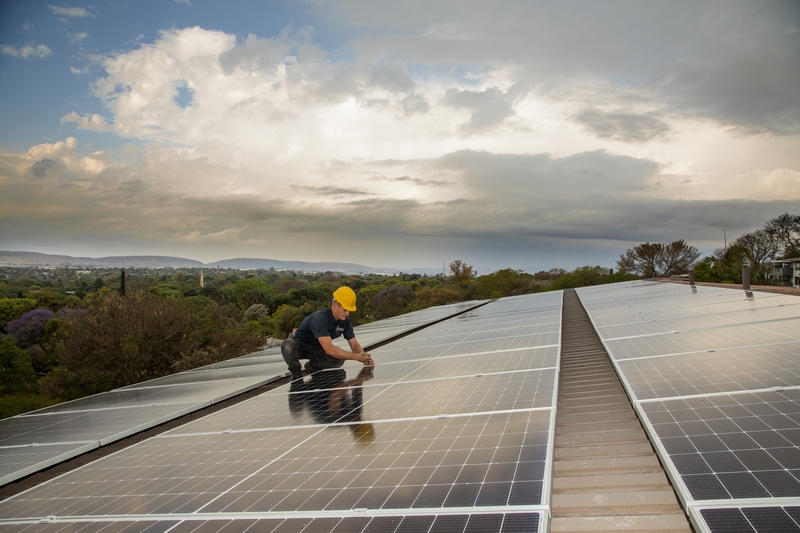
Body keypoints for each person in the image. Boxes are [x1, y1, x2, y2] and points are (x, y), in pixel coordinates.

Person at [281, 287, 374, 385]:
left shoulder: (345, 322)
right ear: (335, 305)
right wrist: (356, 357)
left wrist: (364, 358)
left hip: (317, 349)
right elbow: (329, 349)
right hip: (300, 346)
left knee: (339, 358)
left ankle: (312, 367)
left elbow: (354, 343)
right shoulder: (320, 319)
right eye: (345, 309)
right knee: (287, 345)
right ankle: (296, 375)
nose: (348, 313)